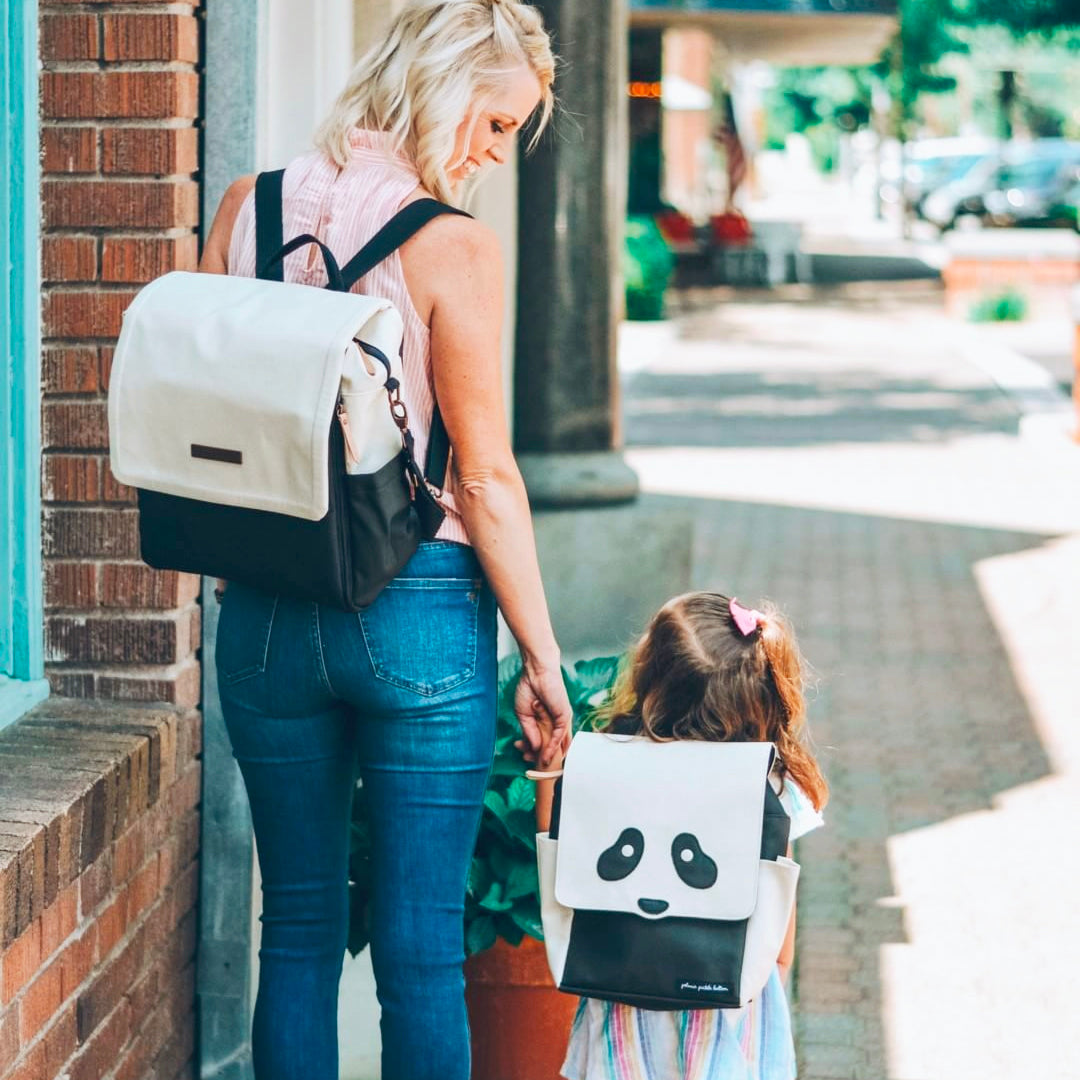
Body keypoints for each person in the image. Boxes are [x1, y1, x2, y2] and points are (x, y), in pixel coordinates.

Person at [197, 3, 572, 1079]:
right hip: (419, 611)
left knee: (300, 935)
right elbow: (485, 476)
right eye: (496, 125)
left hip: (268, 613)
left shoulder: (248, 209)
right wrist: (541, 661)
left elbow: (213, 424)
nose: (496, 155)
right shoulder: (451, 246)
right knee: (419, 959)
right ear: (442, 85)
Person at [532, 592, 829, 1080]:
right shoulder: (769, 784)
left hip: (623, 994)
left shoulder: (608, 766)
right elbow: (780, 923)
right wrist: (771, 978)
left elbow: (558, 852)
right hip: (731, 996)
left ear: (651, 680)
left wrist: (551, 769)